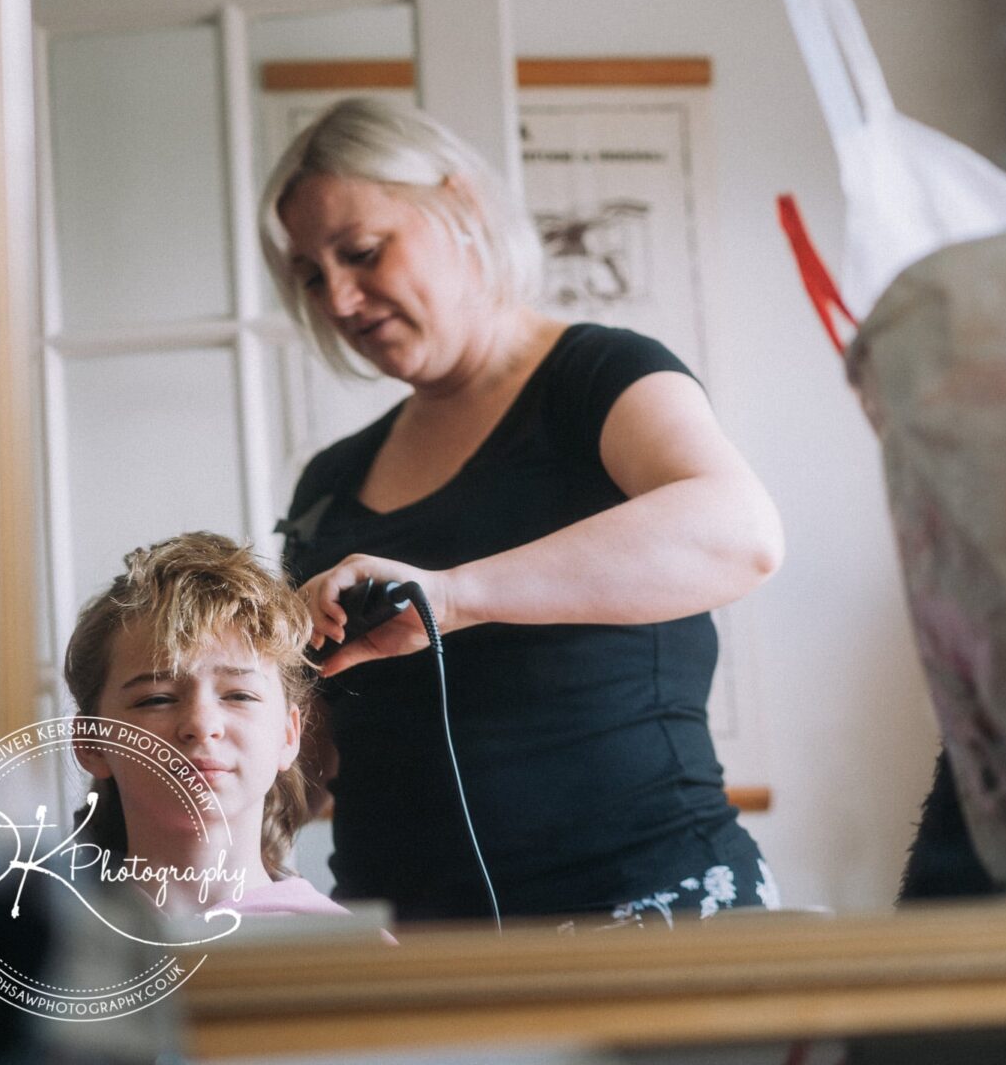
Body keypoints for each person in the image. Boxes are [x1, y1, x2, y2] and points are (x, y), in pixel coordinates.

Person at [258, 96, 785, 927]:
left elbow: (740, 535)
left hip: (649, 914)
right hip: (412, 949)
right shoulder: (331, 477)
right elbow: (313, 747)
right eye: (312, 277)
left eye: (361, 254)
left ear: (460, 206)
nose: (341, 302)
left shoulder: (598, 378)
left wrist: (456, 594)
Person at [64, 531, 353, 922]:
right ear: (92, 744)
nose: (201, 726)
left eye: (239, 696)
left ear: (289, 735)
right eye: (156, 699)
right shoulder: (44, 947)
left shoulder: (353, 954)